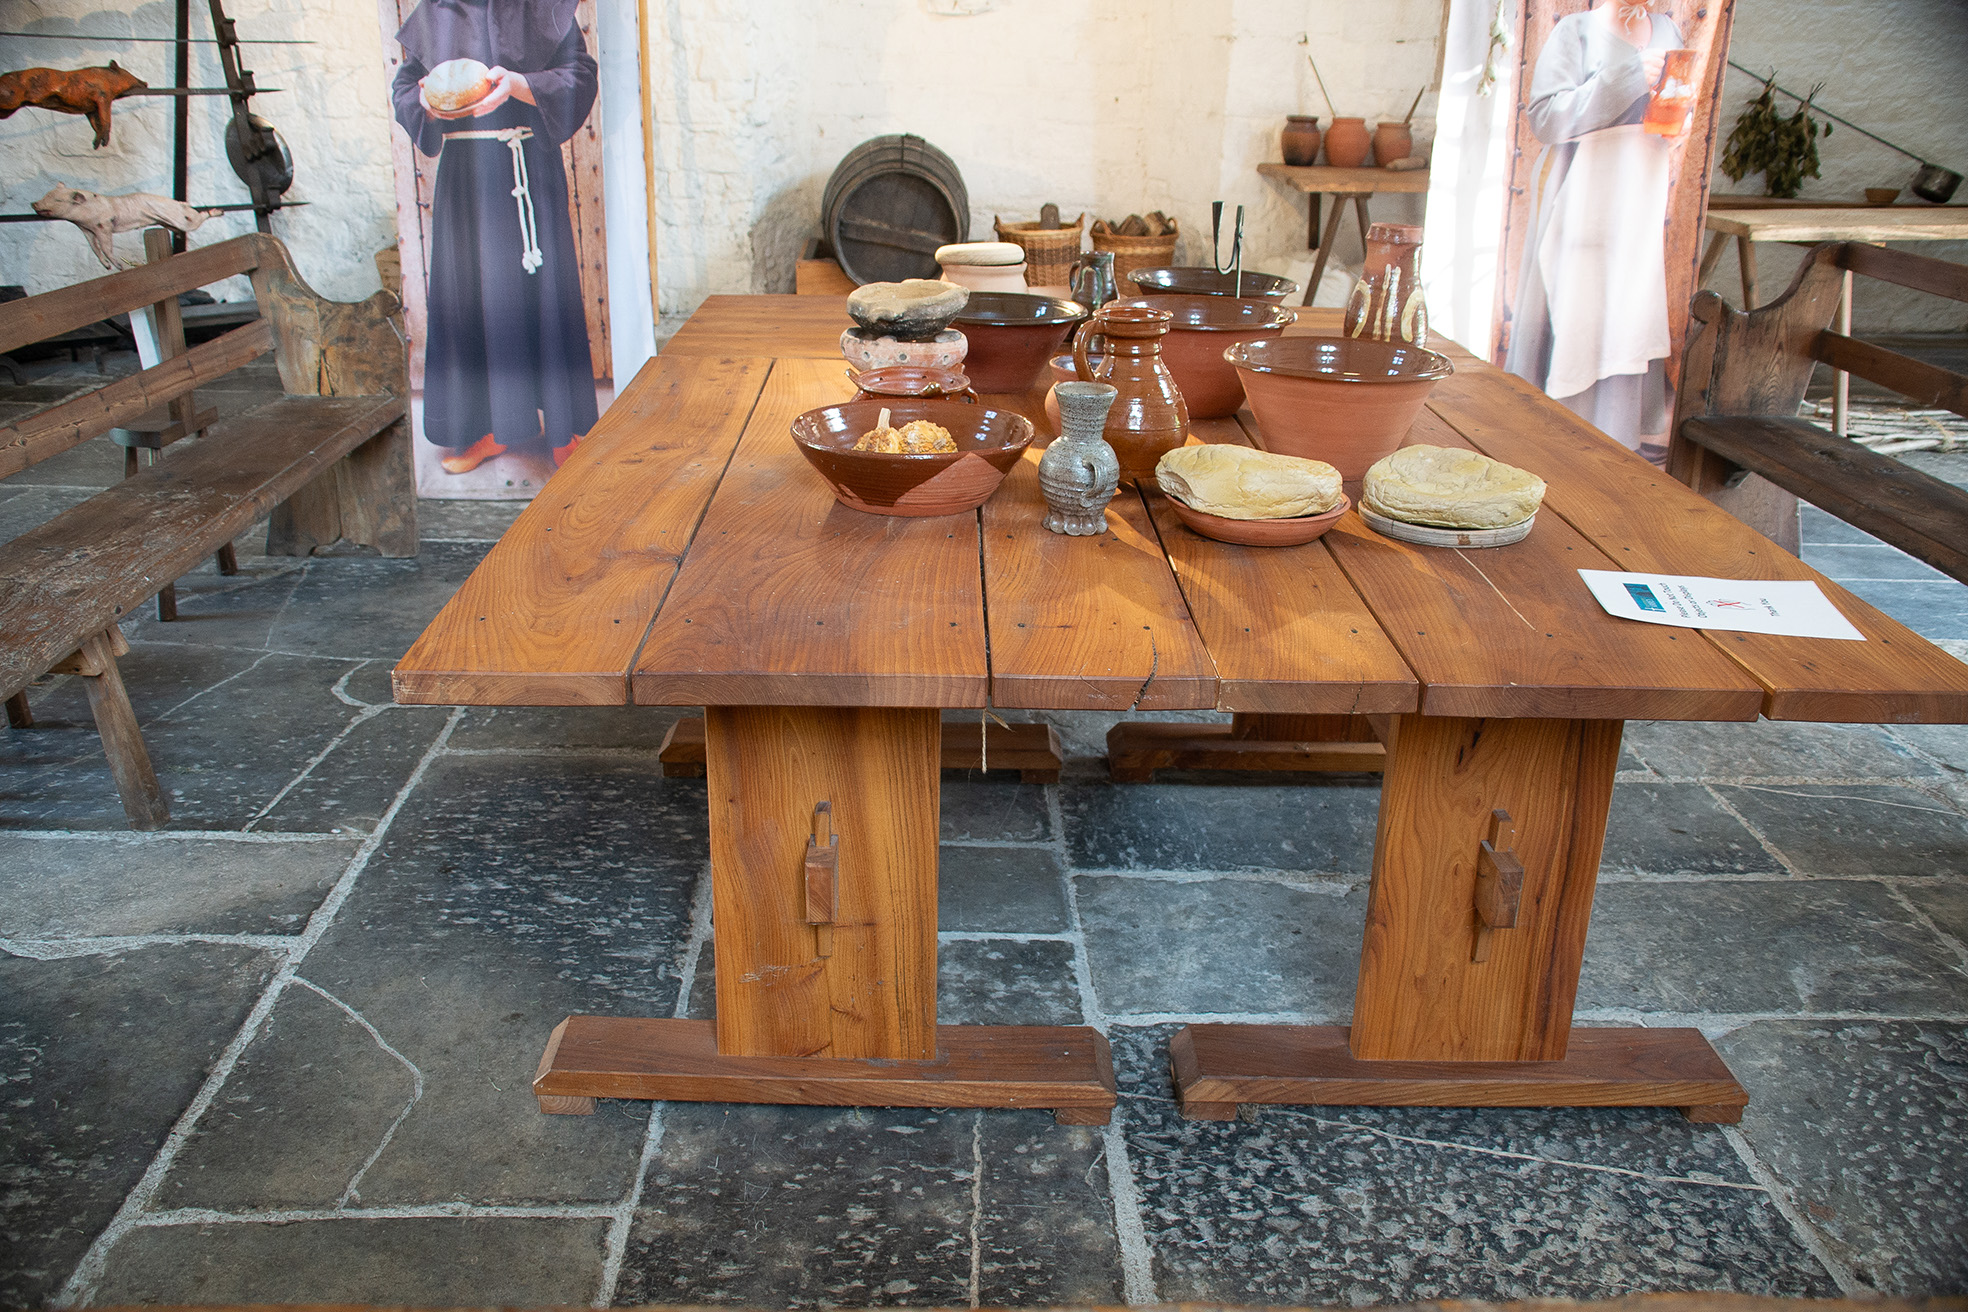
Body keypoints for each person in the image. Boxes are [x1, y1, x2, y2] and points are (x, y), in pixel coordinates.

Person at [392, 0, 598, 475]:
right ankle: (488, 429)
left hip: (529, 170)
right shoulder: (436, 10)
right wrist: (423, 101)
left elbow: (579, 75)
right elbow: (405, 86)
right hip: (466, 180)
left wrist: (521, 85)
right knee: (473, 300)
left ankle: (563, 431)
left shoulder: (542, 6)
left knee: (543, 298)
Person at [1504, 0, 1685, 466]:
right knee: (1578, 308)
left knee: (1626, 313)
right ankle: (1551, 442)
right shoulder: (1577, 32)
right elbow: (1545, 119)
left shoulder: (1668, 31)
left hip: (1637, 195)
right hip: (1581, 191)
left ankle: (1619, 448)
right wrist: (1624, 78)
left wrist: (1672, 112)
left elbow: (1672, 116)